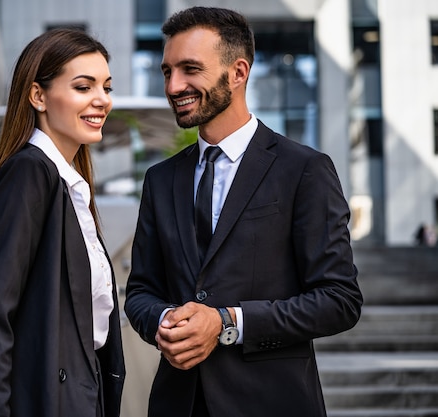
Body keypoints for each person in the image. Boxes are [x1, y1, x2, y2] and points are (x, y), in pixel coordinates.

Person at [124, 7, 363, 417]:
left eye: (189, 69)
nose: (174, 85)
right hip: (177, 403)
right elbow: (141, 291)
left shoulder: (304, 169)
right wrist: (165, 322)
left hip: (272, 402)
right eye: (167, 71)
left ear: (238, 72)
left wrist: (226, 322)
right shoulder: (160, 179)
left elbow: (339, 299)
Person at [0, 28, 125, 417]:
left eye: (106, 86)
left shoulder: (67, 181)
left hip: (85, 393)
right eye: (84, 87)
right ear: (38, 96)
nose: (102, 100)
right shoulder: (28, 174)